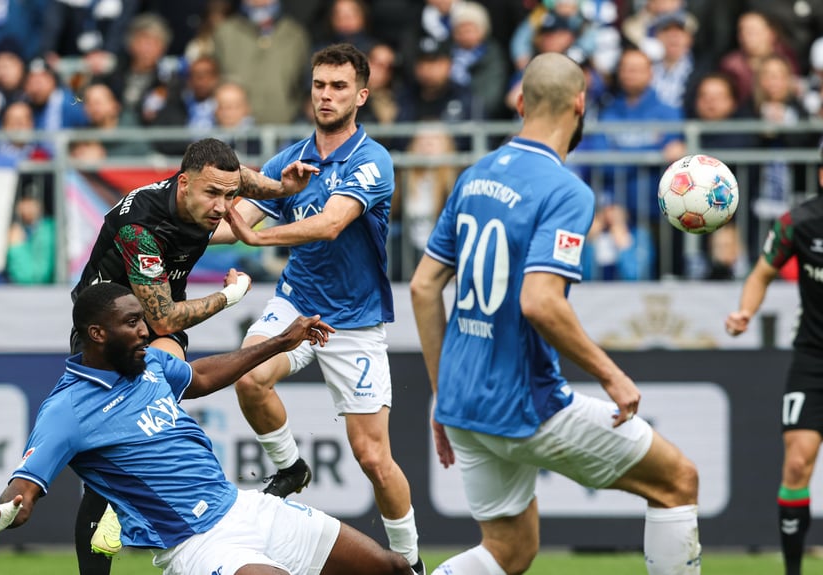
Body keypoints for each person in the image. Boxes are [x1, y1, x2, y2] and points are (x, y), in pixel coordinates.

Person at [408, 52, 702, 575]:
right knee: (677, 480)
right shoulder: (566, 190)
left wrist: (441, 391)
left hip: (462, 403)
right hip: (523, 404)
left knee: (509, 551)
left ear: (521, 103)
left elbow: (424, 286)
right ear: (580, 104)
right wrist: (611, 375)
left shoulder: (474, 176)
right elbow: (540, 301)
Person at [0, 282, 416, 575]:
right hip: (198, 545)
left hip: (244, 508)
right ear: (96, 334)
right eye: (131, 323)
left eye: (142, 320)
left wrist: (282, 342)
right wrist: (7, 511)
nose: (144, 330)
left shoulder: (149, 362)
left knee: (392, 567)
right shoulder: (67, 409)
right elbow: (23, 488)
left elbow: (202, 377)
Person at [217, 43, 424, 574]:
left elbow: (331, 222)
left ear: (362, 94)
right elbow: (230, 223)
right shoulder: (288, 160)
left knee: (374, 459)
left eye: (337, 87)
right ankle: (291, 469)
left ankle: (410, 562)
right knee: (247, 377)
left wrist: (261, 241)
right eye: (318, 85)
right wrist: (158, 230)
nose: (326, 95)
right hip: (296, 303)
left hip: (353, 322)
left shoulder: (372, 159)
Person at [70, 137, 318, 575]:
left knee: (162, 387)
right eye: (213, 194)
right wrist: (230, 295)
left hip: (151, 329)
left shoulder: (216, 184)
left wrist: (282, 189)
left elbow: (242, 180)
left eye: (229, 196)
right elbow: (163, 319)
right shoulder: (141, 227)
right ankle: (118, 505)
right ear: (183, 184)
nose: (224, 206)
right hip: (104, 336)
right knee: (116, 442)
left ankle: (133, 502)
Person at [725, 156, 823, 575]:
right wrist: (745, 311)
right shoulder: (798, 223)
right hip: (812, 358)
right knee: (798, 461)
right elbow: (761, 273)